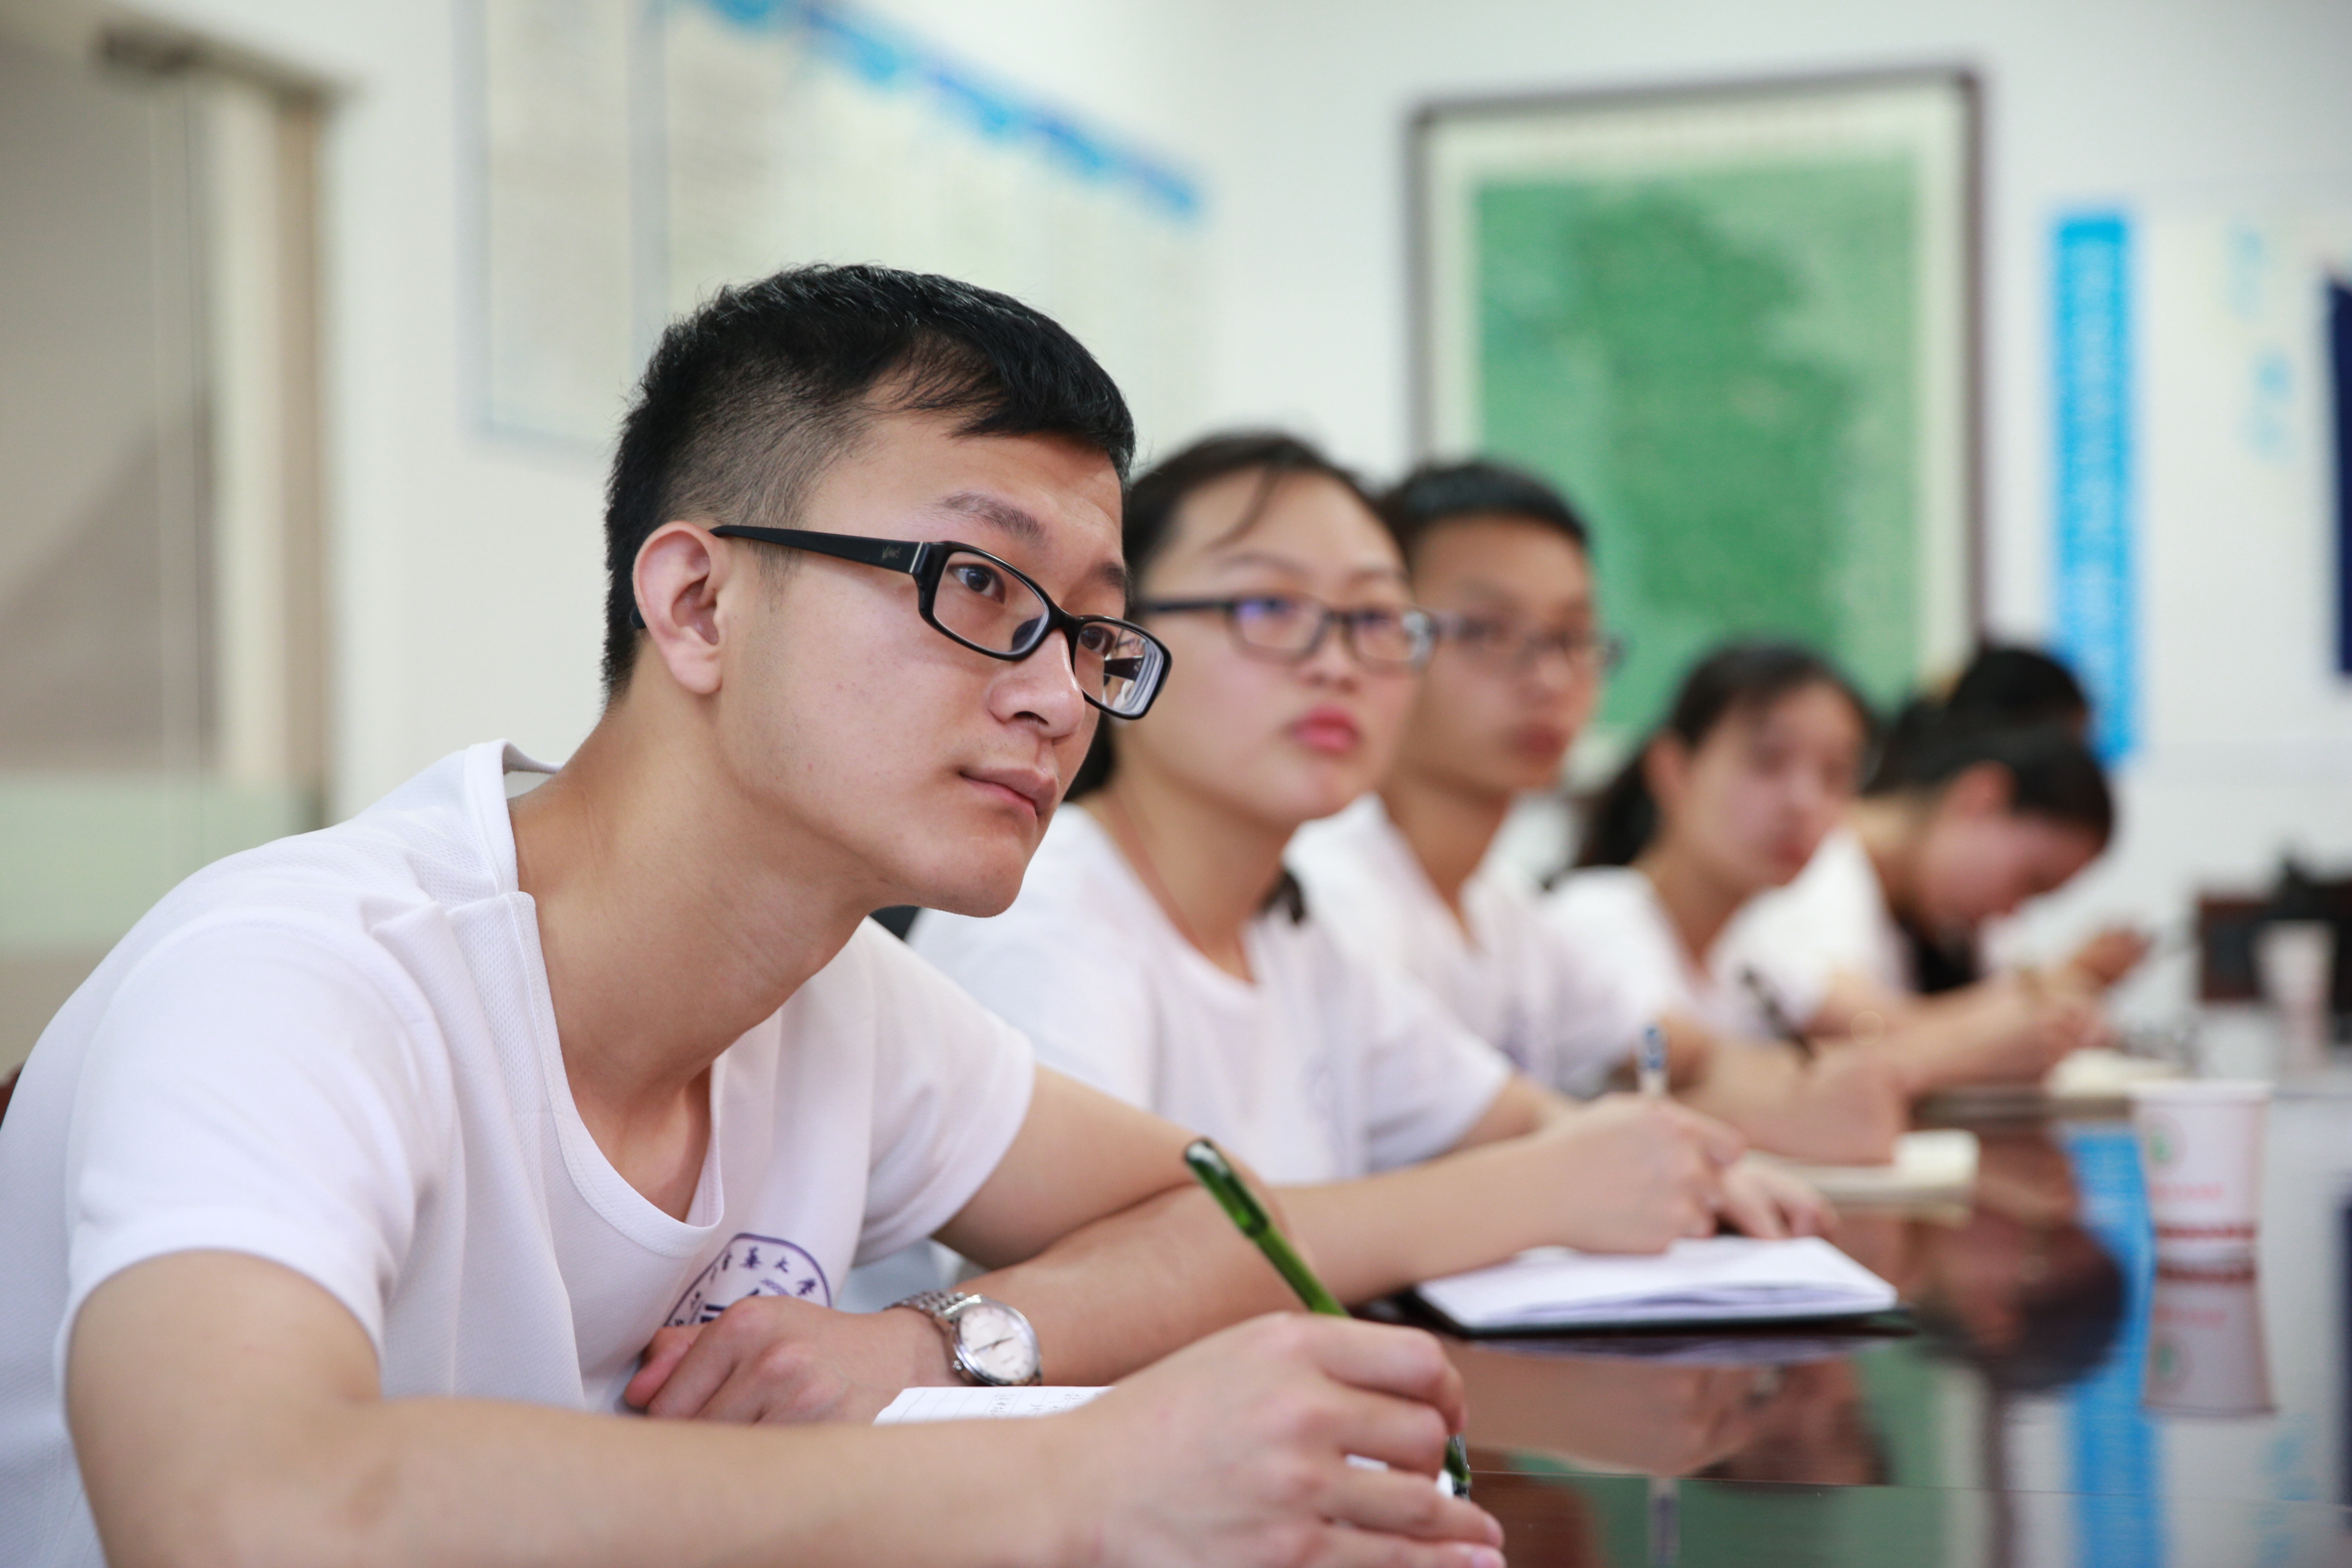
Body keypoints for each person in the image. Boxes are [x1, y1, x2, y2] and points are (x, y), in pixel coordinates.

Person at [0, 268, 1507, 1568]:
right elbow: (239, 1508)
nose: (1059, 697)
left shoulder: (837, 992)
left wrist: (941, 1344)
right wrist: (1068, 1480)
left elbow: (1210, 1207)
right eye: (979, 585)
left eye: (1087, 630)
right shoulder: (302, 973)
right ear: (698, 604)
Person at [913, 433, 1826, 1308]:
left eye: (1375, 620)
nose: (1337, 663)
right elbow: (1090, 1282)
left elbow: (1518, 1118)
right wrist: (1534, 1191)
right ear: (1117, 643)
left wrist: (1677, 1162)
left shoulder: (1300, 938)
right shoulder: (1041, 913)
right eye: (1269, 607)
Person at [1289, 466, 1908, 1163]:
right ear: (1384, 637)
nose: (1550, 678)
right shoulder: (1330, 896)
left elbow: (1681, 1054)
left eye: (1571, 636)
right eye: (1489, 631)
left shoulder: (1504, 909)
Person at [1711, 718, 2122, 1085]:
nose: (2011, 911)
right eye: (2029, 881)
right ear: (1982, 799)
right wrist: (2031, 1001)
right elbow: (1849, 1023)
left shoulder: (1940, 918)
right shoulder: (1812, 864)